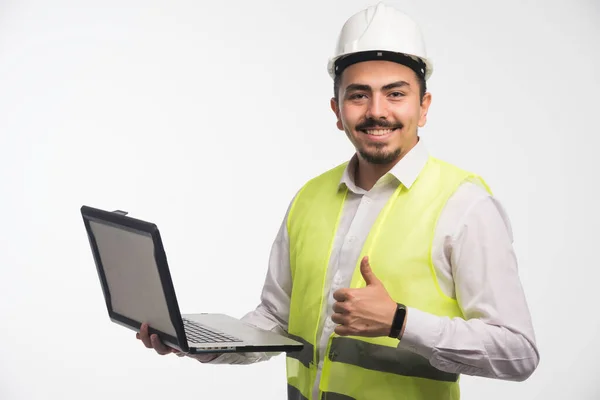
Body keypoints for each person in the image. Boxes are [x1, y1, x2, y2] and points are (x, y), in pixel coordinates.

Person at [137, 2, 540, 399]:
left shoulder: (464, 206)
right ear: (337, 110)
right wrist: (201, 344)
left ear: (424, 106)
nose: (377, 112)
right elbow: (276, 321)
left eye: (395, 94)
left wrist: (399, 322)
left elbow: (518, 353)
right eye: (359, 95)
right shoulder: (309, 199)